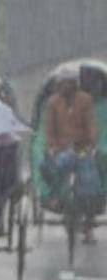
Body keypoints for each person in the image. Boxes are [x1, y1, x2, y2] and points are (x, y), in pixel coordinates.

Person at [42, 68, 100, 243]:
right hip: (60, 149)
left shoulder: (85, 100)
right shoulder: (53, 103)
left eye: (68, 83)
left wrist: (90, 145)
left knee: (90, 181)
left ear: (74, 84)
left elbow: (91, 125)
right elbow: (49, 129)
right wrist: (52, 147)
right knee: (50, 167)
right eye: (62, 83)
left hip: (81, 148)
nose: (65, 86)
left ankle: (89, 226)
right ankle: (55, 195)